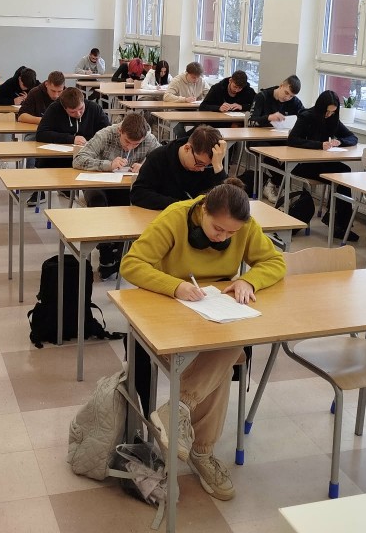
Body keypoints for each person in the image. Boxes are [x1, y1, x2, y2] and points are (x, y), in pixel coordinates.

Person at [121, 178, 286, 501]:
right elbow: (132, 264)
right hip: (171, 311)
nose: (223, 237)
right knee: (225, 353)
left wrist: (249, 280)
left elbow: (275, 261)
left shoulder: (244, 226)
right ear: (203, 210)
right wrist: (175, 286)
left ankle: (179, 410)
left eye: (231, 233)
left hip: (215, 310)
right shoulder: (175, 217)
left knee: (227, 344)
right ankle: (202, 452)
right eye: (218, 229)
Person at [72, 112, 160, 278]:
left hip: (125, 187)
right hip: (97, 185)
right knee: (98, 202)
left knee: (133, 204)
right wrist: (108, 165)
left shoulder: (149, 139)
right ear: (120, 131)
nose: (130, 147)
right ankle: (105, 250)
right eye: (127, 141)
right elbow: (78, 159)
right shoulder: (105, 134)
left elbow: (162, 161)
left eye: (136, 144)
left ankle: (120, 252)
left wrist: (145, 166)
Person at [287, 90, 359, 242]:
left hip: (322, 163)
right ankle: (339, 223)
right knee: (342, 174)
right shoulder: (306, 116)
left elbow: (353, 137)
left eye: (332, 112)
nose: (329, 115)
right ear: (320, 108)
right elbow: (293, 140)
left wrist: (340, 141)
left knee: (344, 173)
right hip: (303, 164)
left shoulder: (332, 119)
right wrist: (319, 145)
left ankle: (339, 222)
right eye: (327, 111)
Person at [131, 125, 228, 210]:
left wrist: (218, 167)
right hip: (165, 217)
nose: (202, 169)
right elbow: (138, 194)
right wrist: (181, 205)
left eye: (208, 165)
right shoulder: (159, 157)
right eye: (199, 163)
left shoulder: (211, 164)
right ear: (187, 148)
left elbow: (227, 202)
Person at [36, 87, 110, 168]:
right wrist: (71, 139)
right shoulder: (54, 109)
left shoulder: (94, 108)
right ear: (64, 108)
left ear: (83, 101)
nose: (78, 114)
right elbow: (41, 134)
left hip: (87, 157)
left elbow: (108, 133)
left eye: (81, 108)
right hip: (56, 160)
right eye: (72, 112)